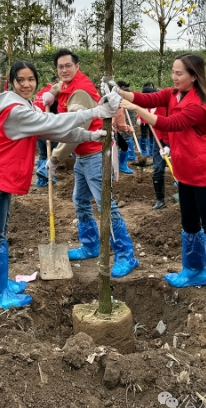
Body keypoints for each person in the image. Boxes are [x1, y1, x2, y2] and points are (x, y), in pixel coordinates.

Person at [0, 59, 119, 310]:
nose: (27, 84)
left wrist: (88, 135)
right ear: (13, 82)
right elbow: (53, 123)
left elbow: (52, 132)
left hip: (1, 177)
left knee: (0, 232)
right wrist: (94, 113)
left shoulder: (23, 105)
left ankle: (0, 285)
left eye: (31, 79)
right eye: (21, 79)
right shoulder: (17, 111)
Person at [117, 54, 206, 303]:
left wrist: (137, 110)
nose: (174, 77)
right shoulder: (173, 94)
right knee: (189, 222)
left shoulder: (198, 106)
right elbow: (147, 98)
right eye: (173, 72)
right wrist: (119, 93)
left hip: (204, 172)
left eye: (179, 73)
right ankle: (194, 270)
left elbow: (171, 123)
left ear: (194, 76)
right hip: (184, 171)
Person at [46, 49, 139, 278]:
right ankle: (91, 246)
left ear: (77, 66)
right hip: (83, 156)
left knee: (106, 204)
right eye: (60, 67)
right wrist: (51, 92)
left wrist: (55, 157)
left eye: (68, 66)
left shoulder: (80, 91)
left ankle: (126, 255)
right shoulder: (69, 86)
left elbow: (75, 130)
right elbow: (60, 87)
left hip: (95, 155)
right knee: (80, 200)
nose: (64, 70)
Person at [33, 78, 60, 187]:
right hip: (50, 127)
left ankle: (41, 181)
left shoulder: (40, 92)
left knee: (43, 154)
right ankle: (44, 171)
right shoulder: (54, 95)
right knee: (54, 153)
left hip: (39, 128)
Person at [112, 81, 134, 175]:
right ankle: (120, 166)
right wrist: (128, 129)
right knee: (124, 146)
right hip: (111, 130)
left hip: (102, 129)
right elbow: (121, 125)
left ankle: (112, 170)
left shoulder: (108, 100)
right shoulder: (119, 106)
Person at [137, 82, 155, 157]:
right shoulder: (142, 99)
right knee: (144, 135)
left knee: (152, 135)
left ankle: (151, 151)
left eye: (152, 86)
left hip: (152, 119)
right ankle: (143, 151)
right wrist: (138, 118)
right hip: (144, 120)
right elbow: (139, 109)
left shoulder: (155, 98)